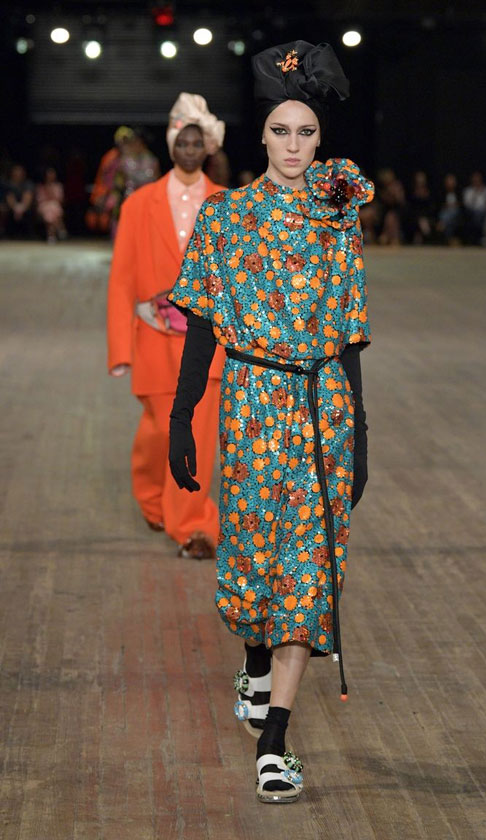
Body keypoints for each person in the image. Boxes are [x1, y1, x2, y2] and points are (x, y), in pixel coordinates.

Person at [167, 40, 373, 803]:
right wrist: (182, 416)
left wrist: (361, 436)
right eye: (281, 131)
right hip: (252, 410)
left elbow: (348, 332)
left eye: (307, 132)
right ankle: (253, 663)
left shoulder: (338, 216)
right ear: (259, 135)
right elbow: (200, 324)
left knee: (307, 575)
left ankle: (275, 741)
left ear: (321, 139)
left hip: (324, 411)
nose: (294, 146)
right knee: (254, 565)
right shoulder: (225, 219)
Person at [107, 93, 226, 558]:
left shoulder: (227, 204)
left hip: (208, 341)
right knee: (158, 432)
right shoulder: (139, 204)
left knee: (197, 433)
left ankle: (192, 526)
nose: (190, 150)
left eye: (198, 143)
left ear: (207, 147)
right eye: (183, 141)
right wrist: (120, 349)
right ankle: (153, 500)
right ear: (172, 144)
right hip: (154, 335)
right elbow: (122, 278)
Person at [86, 126, 134, 235]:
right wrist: (102, 194)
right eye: (123, 140)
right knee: (112, 211)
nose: (124, 143)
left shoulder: (132, 157)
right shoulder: (110, 157)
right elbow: (103, 178)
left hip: (129, 191)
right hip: (112, 192)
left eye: (127, 140)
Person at [36, 167, 67, 243]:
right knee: (50, 210)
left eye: (52, 174)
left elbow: (60, 199)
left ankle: (51, 235)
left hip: (55, 206)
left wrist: (50, 190)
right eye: (49, 174)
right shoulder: (41, 186)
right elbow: (39, 200)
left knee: (53, 208)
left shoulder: (58, 186)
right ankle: (60, 227)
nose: (50, 176)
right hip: (43, 206)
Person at [462, 171, 486, 244]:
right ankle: (478, 237)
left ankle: (484, 237)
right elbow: (467, 205)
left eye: (478, 180)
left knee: (483, 214)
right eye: (475, 180)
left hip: (485, 212)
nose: (477, 182)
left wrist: (483, 193)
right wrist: (475, 193)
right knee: (477, 215)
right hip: (472, 212)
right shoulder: (468, 191)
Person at [5, 164, 35, 238]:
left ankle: (28, 234)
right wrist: (16, 208)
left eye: (19, 173)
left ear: (23, 174)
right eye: (16, 173)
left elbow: (28, 197)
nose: (17, 175)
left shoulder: (28, 184)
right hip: (12, 207)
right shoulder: (8, 184)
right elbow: (9, 198)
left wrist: (21, 209)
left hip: (25, 207)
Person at [436, 173, 462, 245]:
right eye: (448, 182)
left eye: (452, 182)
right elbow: (439, 205)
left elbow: (461, 205)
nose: (450, 184)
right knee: (448, 221)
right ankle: (449, 240)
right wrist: (448, 206)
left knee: (453, 211)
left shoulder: (459, 193)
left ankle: (442, 223)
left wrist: (452, 206)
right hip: (445, 213)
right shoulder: (441, 193)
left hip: (456, 214)